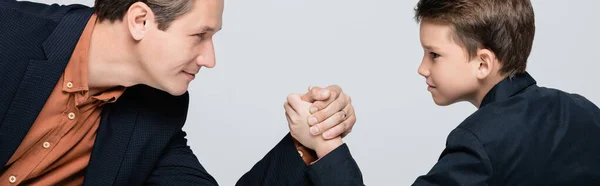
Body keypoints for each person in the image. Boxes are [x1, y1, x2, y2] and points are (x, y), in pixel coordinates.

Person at [0, 0, 363, 185]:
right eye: (199, 36)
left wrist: (308, 140)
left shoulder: (157, 108)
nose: (210, 58)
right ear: (140, 20)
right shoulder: (9, 33)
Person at [411, 0, 600, 185]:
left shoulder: (479, 141)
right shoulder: (585, 111)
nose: (422, 68)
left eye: (434, 55)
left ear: (483, 63)